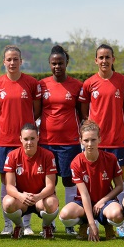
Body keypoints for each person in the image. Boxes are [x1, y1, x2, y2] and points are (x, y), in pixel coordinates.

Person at [0, 45, 41, 235]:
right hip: (4, 140)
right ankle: (8, 224)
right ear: (4, 61)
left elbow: (36, 110)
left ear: (21, 61)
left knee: (27, 180)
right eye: (9, 59)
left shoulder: (31, 83)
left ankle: (26, 224)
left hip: (25, 140)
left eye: (15, 59)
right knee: (6, 182)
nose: (12, 63)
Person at [58, 120, 124, 241]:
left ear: (99, 139)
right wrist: (91, 224)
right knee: (65, 216)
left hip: (106, 202)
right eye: (86, 140)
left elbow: (119, 186)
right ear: (80, 141)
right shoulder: (76, 162)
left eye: (93, 140)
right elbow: (84, 195)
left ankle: (108, 225)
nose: (89, 144)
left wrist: (103, 200)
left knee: (117, 215)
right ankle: (84, 224)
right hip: (83, 201)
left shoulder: (110, 159)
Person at [38, 45, 83, 235]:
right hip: (46, 142)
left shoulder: (77, 86)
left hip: (69, 143)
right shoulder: (42, 85)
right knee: (49, 182)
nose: (57, 66)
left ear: (67, 63)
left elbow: (82, 115)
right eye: (54, 63)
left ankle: (69, 222)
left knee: (69, 181)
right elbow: (36, 111)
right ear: (50, 64)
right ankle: (50, 222)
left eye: (61, 63)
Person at [3, 124, 59, 239]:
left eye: (32, 138)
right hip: (21, 200)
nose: (29, 142)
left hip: (41, 199)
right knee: (7, 203)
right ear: (20, 139)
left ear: (38, 137)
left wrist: (38, 196)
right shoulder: (12, 156)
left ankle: (46, 226)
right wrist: (20, 195)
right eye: (26, 139)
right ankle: (19, 226)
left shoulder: (48, 155)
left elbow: (50, 186)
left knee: (52, 203)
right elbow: (9, 186)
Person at [79, 44, 124, 169]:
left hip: (117, 139)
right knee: (97, 176)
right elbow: (84, 110)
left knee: (119, 179)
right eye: (101, 58)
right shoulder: (88, 83)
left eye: (107, 57)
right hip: (96, 140)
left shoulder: (123, 81)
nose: (104, 61)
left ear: (113, 59)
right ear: (96, 60)